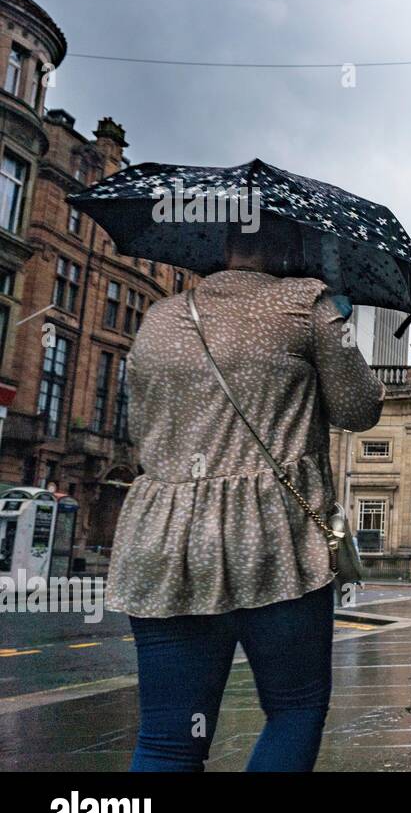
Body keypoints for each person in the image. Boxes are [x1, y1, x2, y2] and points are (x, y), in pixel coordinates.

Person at [107, 220, 384, 771]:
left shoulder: (160, 316)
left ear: (223, 246)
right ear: (291, 249)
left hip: (165, 542)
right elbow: (360, 408)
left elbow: (139, 427)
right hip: (272, 542)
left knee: (166, 740)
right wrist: (336, 328)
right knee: (294, 709)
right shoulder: (308, 304)